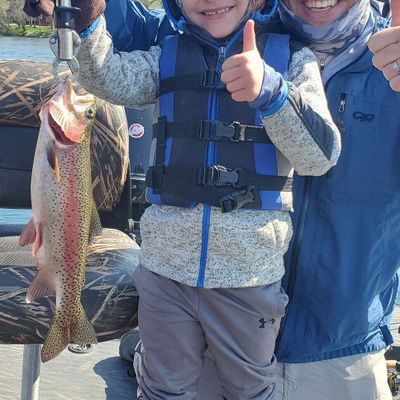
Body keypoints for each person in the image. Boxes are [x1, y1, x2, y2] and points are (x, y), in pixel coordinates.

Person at [74, 0, 400, 399]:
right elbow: (109, 77)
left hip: (259, 288)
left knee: (250, 390)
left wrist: (273, 94)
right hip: (165, 274)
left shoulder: (292, 61)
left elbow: (319, 157)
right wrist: (86, 22)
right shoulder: (166, 52)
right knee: (162, 389)